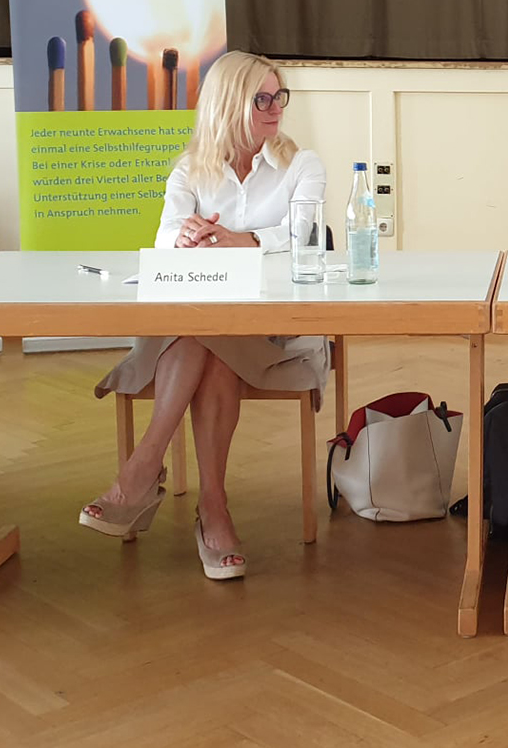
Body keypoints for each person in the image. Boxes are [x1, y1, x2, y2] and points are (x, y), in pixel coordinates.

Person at [85, 51, 329, 580]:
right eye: (260, 99)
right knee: (207, 339)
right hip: (204, 329)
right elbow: (164, 242)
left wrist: (240, 240)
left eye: (277, 96)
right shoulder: (190, 170)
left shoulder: (301, 165)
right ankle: (213, 509)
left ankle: (143, 471)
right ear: (227, 104)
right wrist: (188, 236)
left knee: (203, 333)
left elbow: (304, 236)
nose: (273, 109)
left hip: (272, 331)